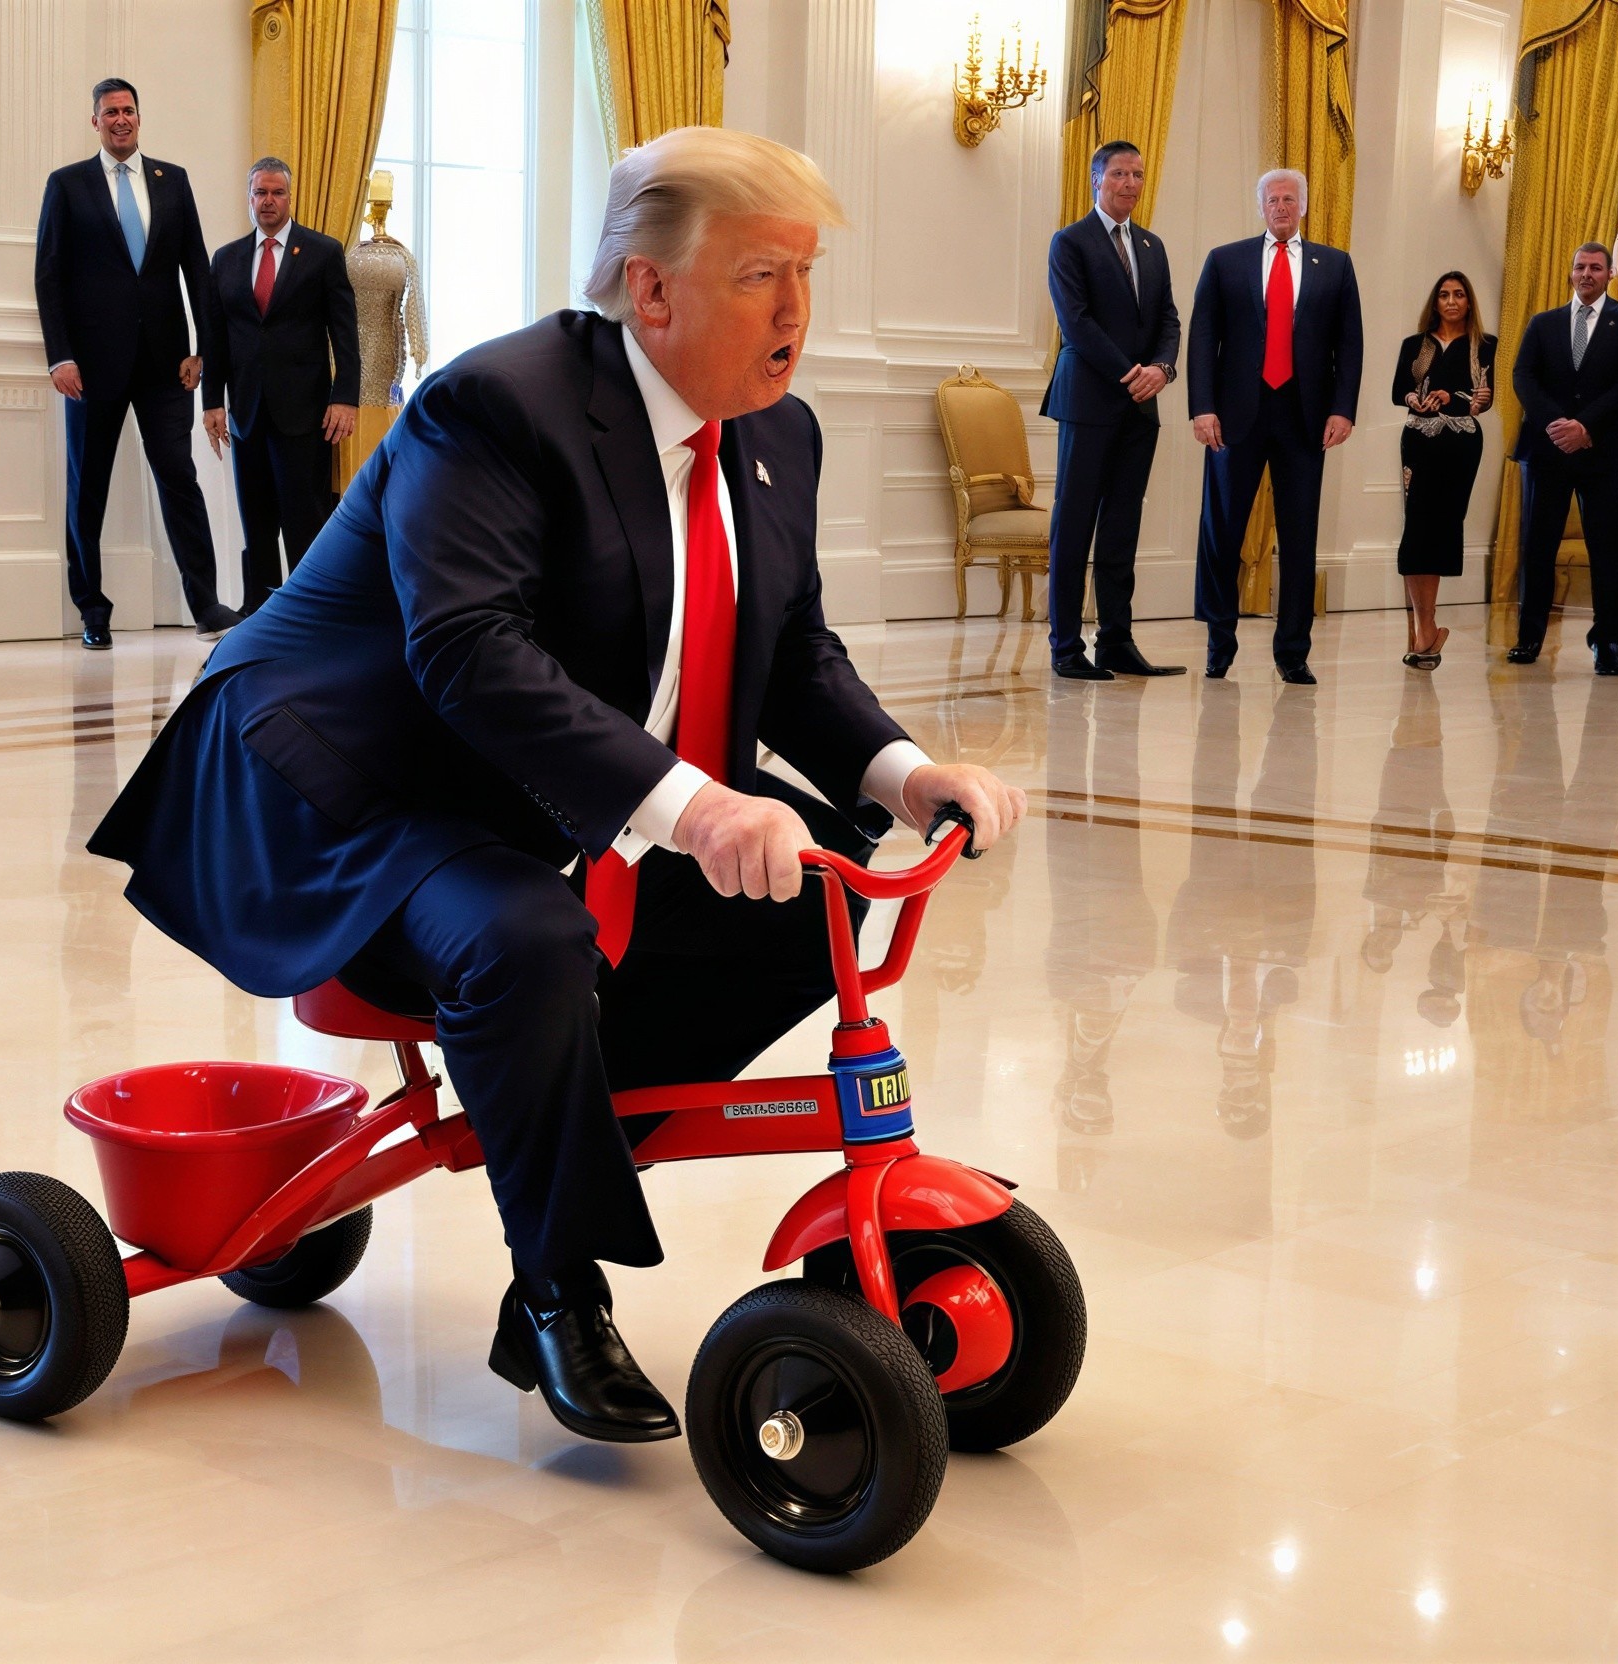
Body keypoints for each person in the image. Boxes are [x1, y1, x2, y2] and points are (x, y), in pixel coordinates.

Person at [91, 128, 1026, 1444]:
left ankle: (554, 1148)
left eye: (806, 273)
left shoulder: (778, 433)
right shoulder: (496, 405)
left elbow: (792, 652)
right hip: (344, 774)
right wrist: (697, 805)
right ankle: (557, 1287)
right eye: (761, 275)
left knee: (812, 881)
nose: (796, 312)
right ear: (651, 288)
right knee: (526, 933)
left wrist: (909, 773)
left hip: (502, 776)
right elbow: (468, 653)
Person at [34, 78, 238, 646]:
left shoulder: (173, 181)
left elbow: (197, 271)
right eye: (110, 112)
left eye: (128, 110)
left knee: (179, 476)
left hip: (165, 365)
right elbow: (49, 276)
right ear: (95, 121)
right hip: (90, 367)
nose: (120, 119)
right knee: (88, 486)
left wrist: (202, 350)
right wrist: (60, 357)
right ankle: (92, 611)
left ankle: (206, 605)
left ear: (139, 118)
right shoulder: (67, 184)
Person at [1186, 168, 1363, 685]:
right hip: (1234, 417)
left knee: (1300, 537)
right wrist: (1202, 407)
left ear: (1302, 206)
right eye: (1272, 200)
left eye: (1289, 199)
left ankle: (1293, 652)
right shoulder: (1225, 260)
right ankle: (1219, 644)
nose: (1281, 207)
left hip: (1305, 419)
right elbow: (1203, 338)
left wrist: (1343, 409)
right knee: (1222, 533)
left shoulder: (1335, 264)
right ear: (1260, 206)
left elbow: (1349, 343)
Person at [1041, 140, 1183, 680]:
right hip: (1089, 400)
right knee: (1074, 523)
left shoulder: (1152, 246)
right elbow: (1075, 322)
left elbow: (1168, 318)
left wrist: (1162, 369)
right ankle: (1065, 648)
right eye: (1120, 173)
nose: (1130, 183)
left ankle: (1116, 642)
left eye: (1138, 174)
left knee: (1123, 526)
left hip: (1140, 408)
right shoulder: (1070, 242)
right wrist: (1133, 375)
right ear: (1097, 179)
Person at [201, 159, 358, 615]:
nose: (268, 201)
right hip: (246, 412)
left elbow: (344, 333)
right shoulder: (226, 259)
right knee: (256, 521)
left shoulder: (323, 252)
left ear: (290, 198)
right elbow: (216, 337)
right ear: (249, 199)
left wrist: (345, 397)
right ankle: (258, 615)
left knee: (305, 520)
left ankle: (310, 615)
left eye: (277, 193)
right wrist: (212, 402)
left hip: (306, 413)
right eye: (260, 193)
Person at [1508, 242, 1618, 673]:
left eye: (1596, 267)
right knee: (1538, 547)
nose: (1586, 274)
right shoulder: (1544, 323)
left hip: (1603, 455)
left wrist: (1585, 427)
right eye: (1580, 267)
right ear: (1571, 273)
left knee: (1608, 550)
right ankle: (1529, 639)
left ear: (1609, 274)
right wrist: (1559, 425)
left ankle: (1609, 643)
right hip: (1547, 453)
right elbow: (1523, 376)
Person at [1389, 271, 1493, 671]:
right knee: (1416, 528)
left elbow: (1482, 399)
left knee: (1442, 526)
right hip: (1418, 439)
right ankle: (1425, 628)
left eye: (1459, 294)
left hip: (1461, 443)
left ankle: (1427, 629)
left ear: (1468, 302)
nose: (1451, 301)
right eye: (1445, 295)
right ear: (1435, 302)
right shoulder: (1414, 345)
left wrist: (1457, 397)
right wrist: (1415, 398)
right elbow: (1399, 390)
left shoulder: (1484, 345)